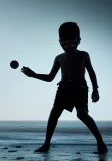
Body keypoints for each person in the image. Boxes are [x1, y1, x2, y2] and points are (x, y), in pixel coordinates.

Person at [21, 22, 108, 154]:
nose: (67, 44)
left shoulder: (84, 55)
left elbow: (91, 72)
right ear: (59, 41)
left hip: (80, 88)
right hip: (63, 88)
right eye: (64, 41)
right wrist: (33, 75)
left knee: (82, 114)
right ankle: (46, 144)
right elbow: (50, 77)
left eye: (71, 41)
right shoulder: (59, 58)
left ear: (79, 41)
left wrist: (96, 89)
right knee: (54, 114)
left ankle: (101, 143)